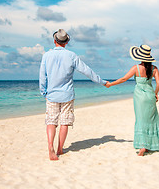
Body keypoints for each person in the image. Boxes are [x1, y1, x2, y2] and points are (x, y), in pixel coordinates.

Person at [39, 29, 108, 160]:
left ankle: (50, 147)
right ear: (66, 42)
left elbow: (42, 76)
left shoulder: (46, 56)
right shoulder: (71, 56)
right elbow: (87, 71)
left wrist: (43, 92)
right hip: (67, 95)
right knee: (64, 122)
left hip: (52, 95)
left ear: (54, 41)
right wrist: (102, 82)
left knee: (51, 121)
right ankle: (59, 149)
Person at [106, 45, 159, 156]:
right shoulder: (155, 68)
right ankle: (149, 145)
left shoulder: (136, 68)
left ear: (140, 56)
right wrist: (156, 93)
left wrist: (111, 84)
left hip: (139, 97)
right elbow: (158, 83)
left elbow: (124, 79)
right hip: (150, 96)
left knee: (140, 120)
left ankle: (143, 146)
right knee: (151, 120)